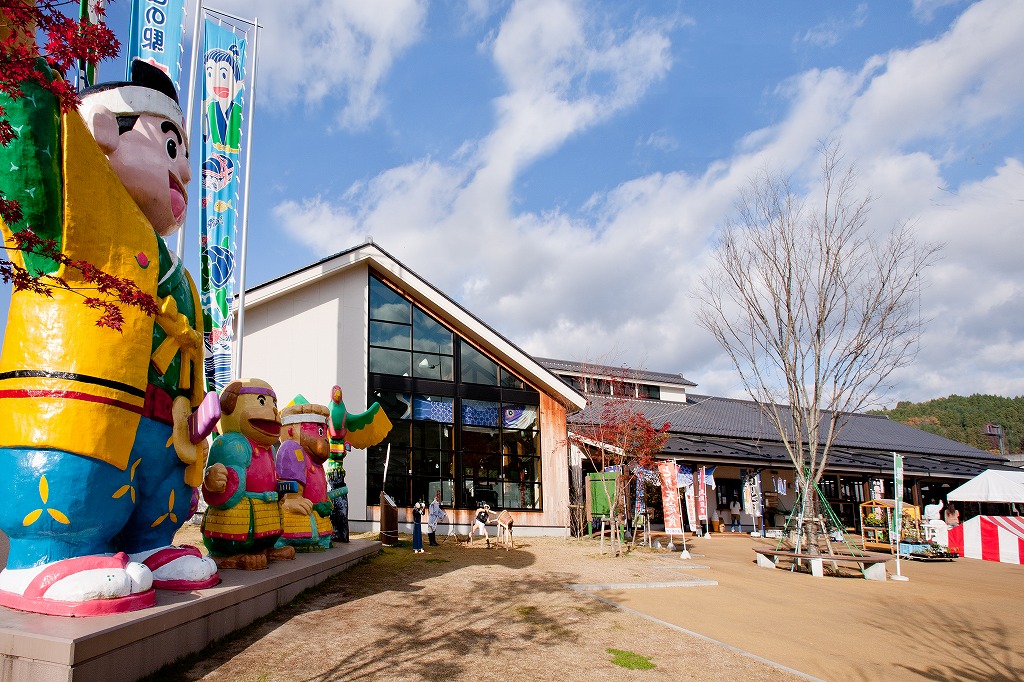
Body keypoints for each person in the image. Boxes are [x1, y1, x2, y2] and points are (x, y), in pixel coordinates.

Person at [0, 32, 218, 613]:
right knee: (80, 482)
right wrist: (26, 73)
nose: (186, 174)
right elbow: (26, 151)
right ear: (101, 132)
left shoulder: (180, 273)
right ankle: (44, 554)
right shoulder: (79, 199)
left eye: (188, 158)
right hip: (79, 401)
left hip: (157, 421)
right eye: (170, 147)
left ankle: (149, 544)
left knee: (155, 490)